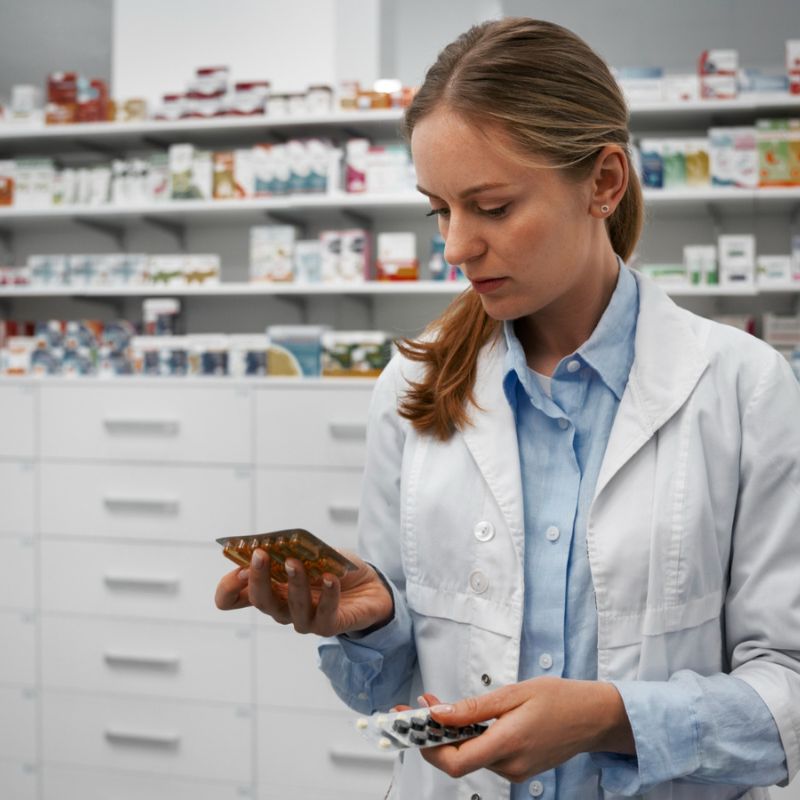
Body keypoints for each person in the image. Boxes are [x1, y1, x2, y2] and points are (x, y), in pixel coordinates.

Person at [215, 17, 800, 800]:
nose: (456, 247)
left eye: (490, 207)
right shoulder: (415, 388)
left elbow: (788, 692)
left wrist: (609, 718)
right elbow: (384, 694)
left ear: (604, 182)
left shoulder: (744, 388)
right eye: (439, 210)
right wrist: (373, 622)